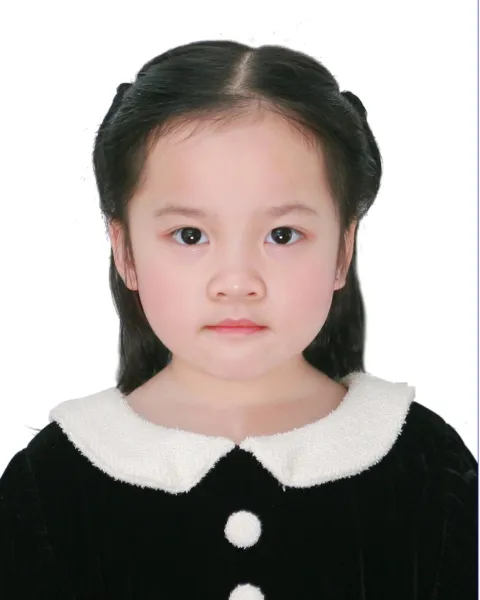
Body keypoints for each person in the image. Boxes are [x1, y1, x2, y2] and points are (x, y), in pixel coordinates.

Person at [0, 39, 477, 599]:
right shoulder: (53, 481)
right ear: (124, 250)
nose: (236, 280)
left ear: (343, 249)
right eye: (190, 235)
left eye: (282, 235)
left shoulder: (426, 465)